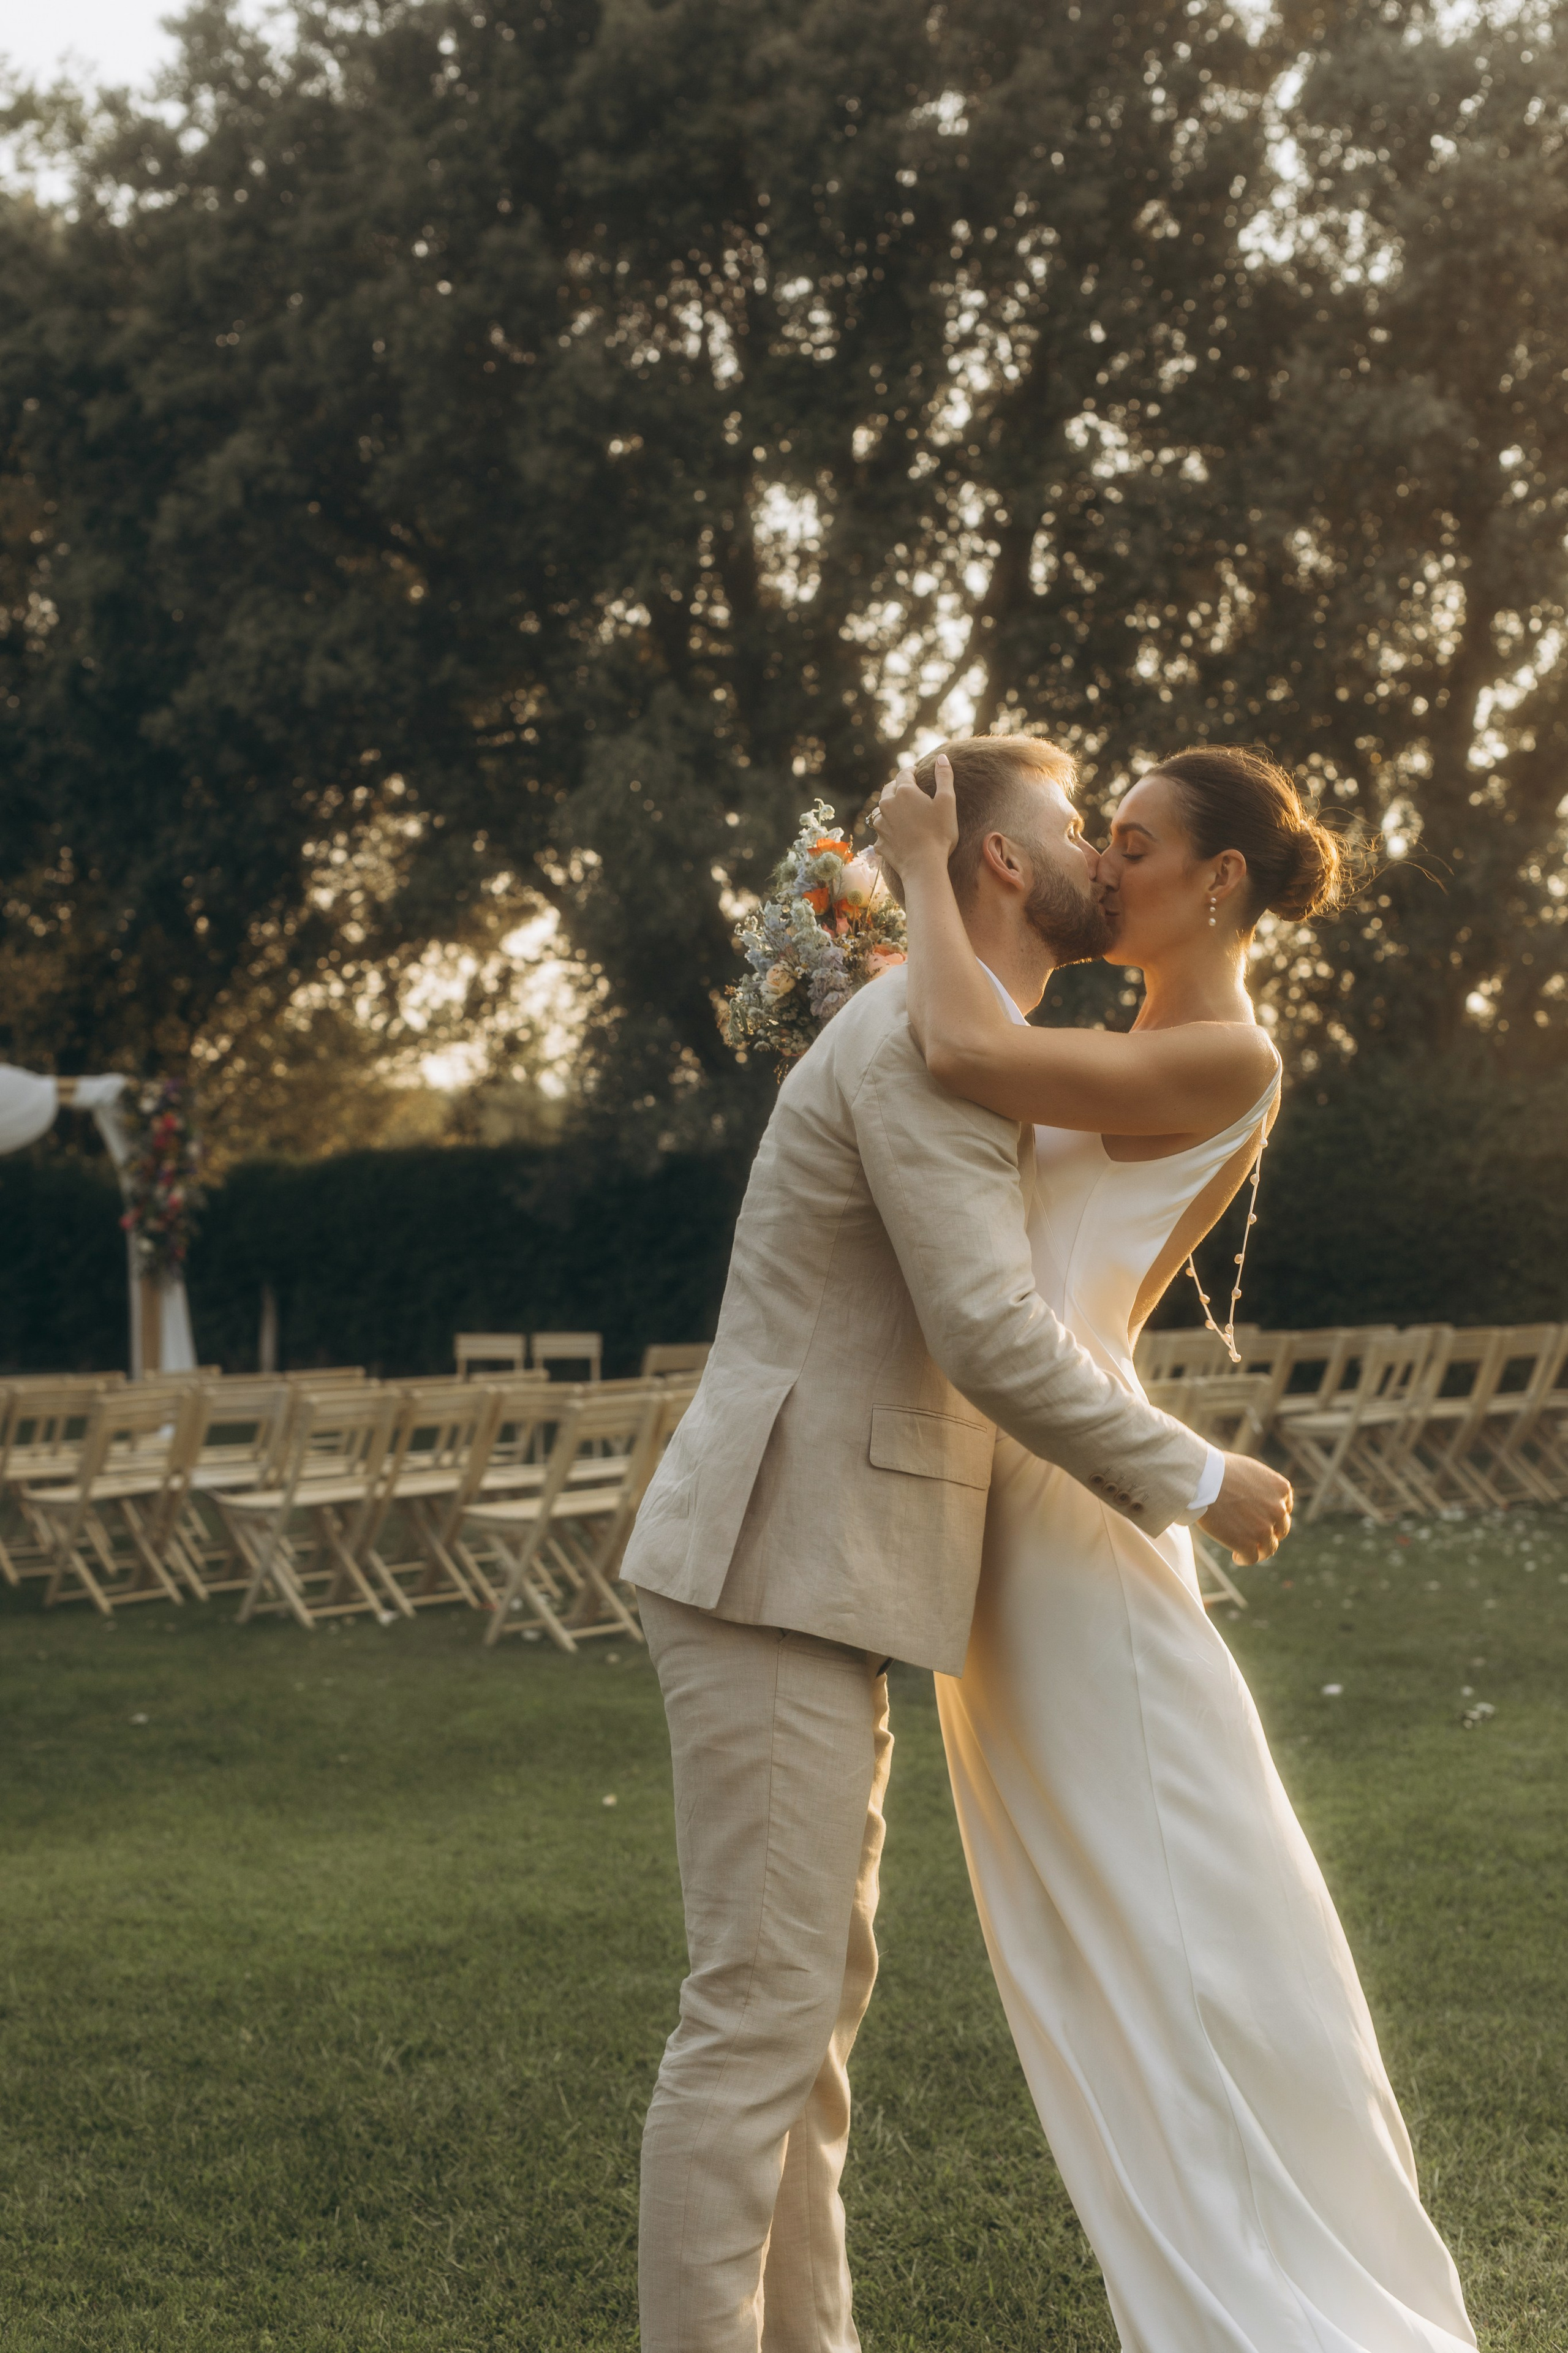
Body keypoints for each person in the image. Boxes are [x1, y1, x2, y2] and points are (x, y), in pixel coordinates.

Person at [621, 730, 1292, 2353]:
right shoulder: (924, 1040)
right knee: (758, 2021)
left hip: (817, 1568)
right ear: (1004, 859)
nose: (1097, 856)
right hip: (775, 1561)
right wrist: (1197, 1475)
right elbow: (989, 1335)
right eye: (1076, 827)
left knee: (805, 2022)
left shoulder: (960, 1027)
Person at [872, 741, 1474, 2353]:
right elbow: (954, 1075)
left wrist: (923, 862)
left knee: (1194, 1905)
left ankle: (1303, 2311)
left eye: (1131, 844)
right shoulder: (1105, 1042)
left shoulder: (1228, 1053)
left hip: (1082, 1516)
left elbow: (953, 1042)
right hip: (1017, 1492)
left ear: (1219, 880)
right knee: (1088, 1927)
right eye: (1102, 835)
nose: (1102, 865)